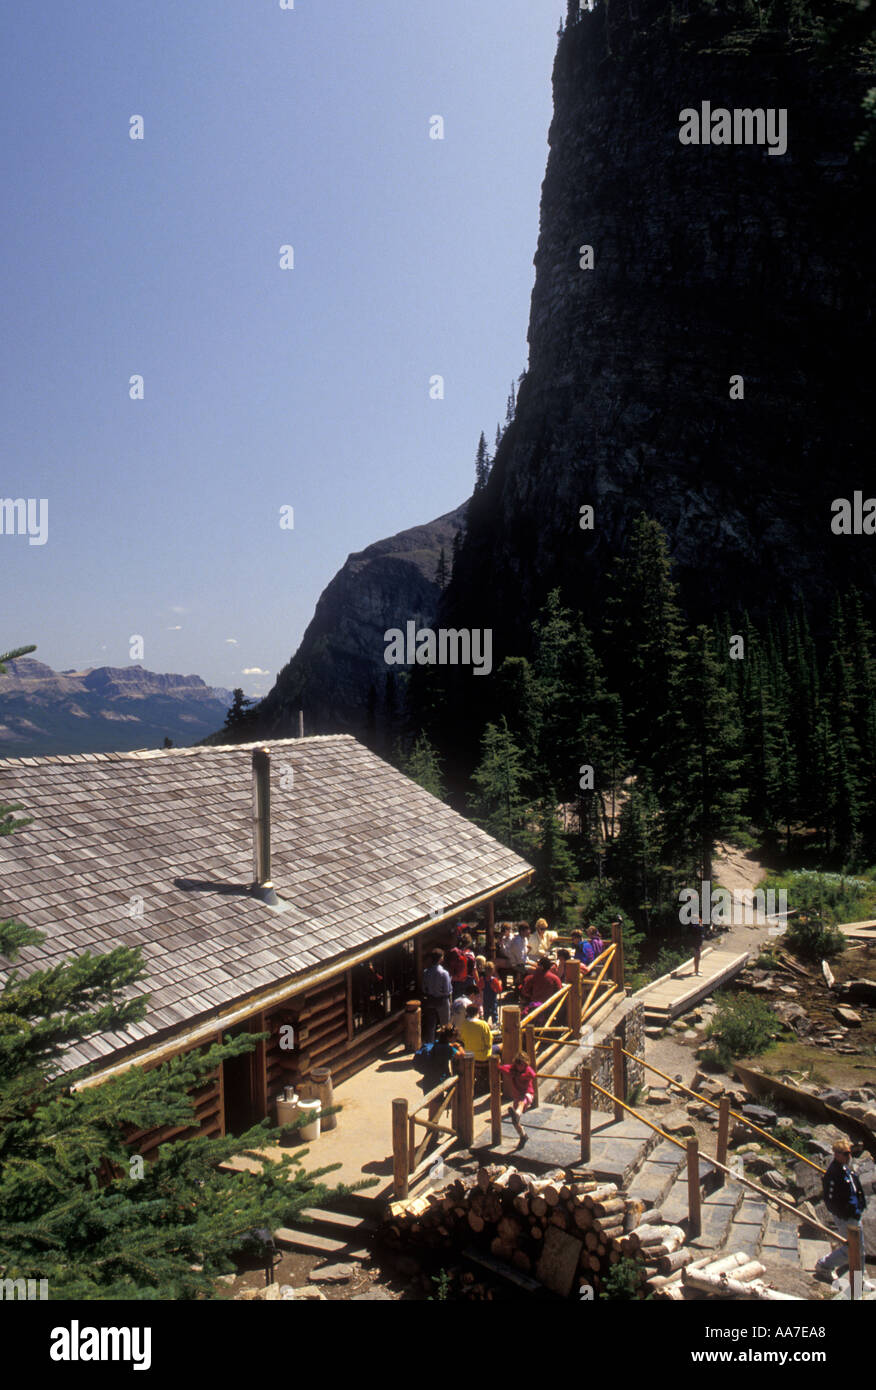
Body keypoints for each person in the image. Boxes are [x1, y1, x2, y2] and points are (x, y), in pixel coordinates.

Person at [815, 1140, 869, 1283]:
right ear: (837, 1154)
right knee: (850, 1250)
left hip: (854, 1214)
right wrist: (844, 1213)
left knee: (859, 1250)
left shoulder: (846, 1169)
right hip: (846, 1217)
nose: (848, 1156)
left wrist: (860, 1205)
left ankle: (859, 1281)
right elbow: (830, 1200)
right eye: (845, 1153)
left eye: (849, 1153)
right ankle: (824, 1265)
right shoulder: (833, 1173)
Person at [498, 1052, 537, 1141]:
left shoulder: (527, 1070)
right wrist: (498, 1064)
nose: (520, 1066)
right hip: (517, 1096)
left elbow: (533, 1075)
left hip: (528, 1094)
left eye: (522, 1064)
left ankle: (517, 1114)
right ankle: (523, 1135)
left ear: (525, 1064)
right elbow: (502, 1068)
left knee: (522, 1101)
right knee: (515, 1122)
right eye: (518, 1064)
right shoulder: (512, 1069)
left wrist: (521, 1075)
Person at [421, 947, 452, 1044]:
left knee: (431, 1025)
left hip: (430, 1000)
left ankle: (430, 1046)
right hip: (442, 1001)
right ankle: (445, 1044)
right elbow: (447, 990)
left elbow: (423, 988)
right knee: (445, 1024)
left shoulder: (426, 972)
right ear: (440, 959)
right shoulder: (444, 973)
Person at [504, 923, 529, 990]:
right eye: (527, 930)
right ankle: (522, 990)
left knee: (537, 967)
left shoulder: (524, 939)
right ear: (522, 931)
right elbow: (520, 960)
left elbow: (524, 955)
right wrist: (530, 963)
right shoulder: (517, 941)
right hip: (515, 965)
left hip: (521, 963)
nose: (529, 932)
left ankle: (522, 990)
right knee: (534, 971)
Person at [481, 959, 503, 1024]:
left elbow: (479, 987)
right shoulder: (494, 980)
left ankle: (485, 1023)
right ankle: (495, 1024)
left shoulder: (482, 979)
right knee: (494, 1012)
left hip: (485, 998)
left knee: (486, 1012)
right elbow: (499, 990)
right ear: (493, 970)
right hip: (493, 999)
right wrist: (500, 983)